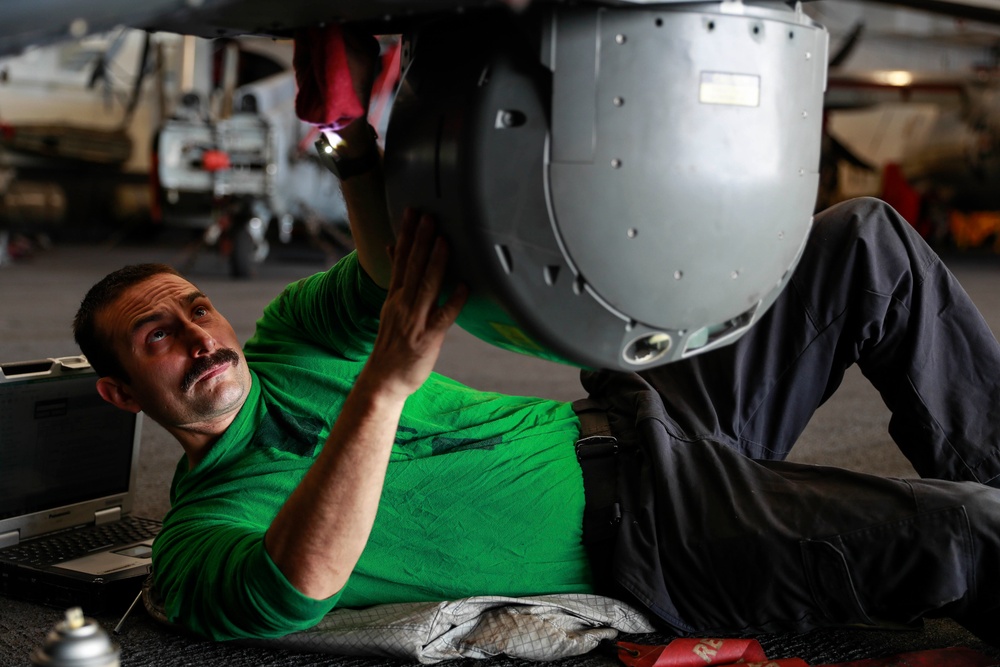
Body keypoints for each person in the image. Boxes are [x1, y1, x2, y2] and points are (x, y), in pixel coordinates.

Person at [72, 48, 1000, 650]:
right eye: (160, 336)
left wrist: (351, 141)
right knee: (966, 530)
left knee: (866, 241)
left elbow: (397, 267)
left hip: (641, 413)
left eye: (196, 309)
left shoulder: (290, 342)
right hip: (657, 534)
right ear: (119, 392)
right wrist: (384, 390)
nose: (200, 335)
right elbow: (291, 588)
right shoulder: (194, 543)